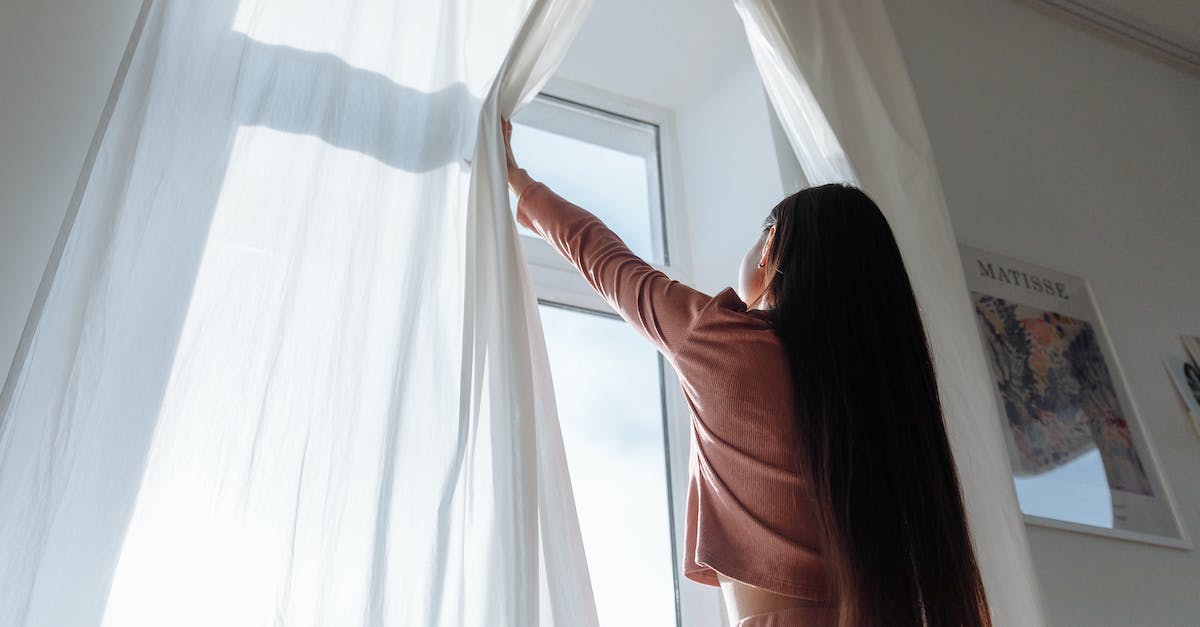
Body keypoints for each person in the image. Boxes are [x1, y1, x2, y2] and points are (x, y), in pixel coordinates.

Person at [501, 117, 991, 627]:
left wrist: (520, 183)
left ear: (773, 244)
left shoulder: (725, 343)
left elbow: (607, 261)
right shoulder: (883, 392)